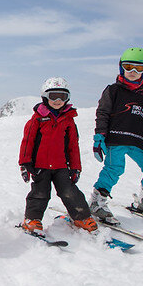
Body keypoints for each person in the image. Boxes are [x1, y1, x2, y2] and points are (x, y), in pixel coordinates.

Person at [90, 47, 143, 224]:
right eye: (129, 67)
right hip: (116, 138)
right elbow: (102, 113)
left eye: (139, 68)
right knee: (114, 169)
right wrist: (99, 136)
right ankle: (97, 202)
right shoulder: (113, 91)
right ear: (121, 68)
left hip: (139, 141)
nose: (133, 72)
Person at [18, 77, 98, 234]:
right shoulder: (37, 119)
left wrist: (75, 168)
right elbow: (27, 141)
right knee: (40, 192)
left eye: (62, 96)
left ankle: (82, 217)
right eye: (53, 96)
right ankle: (32, 219)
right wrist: (25, 163)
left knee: (69, 191)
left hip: (61, 166)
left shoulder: (68, 121)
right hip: (40, 166)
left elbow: (73, 146)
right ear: (45, 97)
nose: (57, 100)